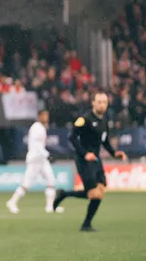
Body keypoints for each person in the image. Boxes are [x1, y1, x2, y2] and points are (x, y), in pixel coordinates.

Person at [52, 92, 127, 231]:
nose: (102, 105)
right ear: (93, 103)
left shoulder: (104, 120)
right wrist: (85, 153)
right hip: (83, 160)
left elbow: (104, 140)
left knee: (100, 192)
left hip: (96, 160)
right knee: (93, 193)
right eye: (99, 102)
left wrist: (114, 153)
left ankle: (86, 224)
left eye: (104, 102)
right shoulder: (84, 119)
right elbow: (72, 137)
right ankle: (64, 195)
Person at [7, 109, 62, 214]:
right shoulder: (36, 128)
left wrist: (45, 156)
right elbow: (37, 145)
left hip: (42, 159)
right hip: (35, 159)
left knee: (51, 180)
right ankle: (12, 201)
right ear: (39, 116)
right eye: (44, 115)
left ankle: (50, 207)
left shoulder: (42, 127)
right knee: (27, 184)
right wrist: (47, 154)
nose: (46, 117)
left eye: (47, 115)